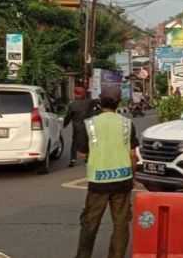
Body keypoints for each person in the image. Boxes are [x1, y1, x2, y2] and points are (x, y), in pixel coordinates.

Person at [74, 95, 140, 258]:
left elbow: (82, 153)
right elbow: (133, 155)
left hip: (98, 183)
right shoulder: (127, 123)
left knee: (90, 223)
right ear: (118, 104)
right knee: (121, 224)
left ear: (100, 104)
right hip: (123, 181)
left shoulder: (89, 124)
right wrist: (133, 177)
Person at [64, 87, 97, 168]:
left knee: (74, 143)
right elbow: (98, 103)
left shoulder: (72, 105)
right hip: (89, 125)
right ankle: (87, 157)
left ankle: (73, 160)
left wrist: (65, 124)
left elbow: (68, 116)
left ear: (76, 94)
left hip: (77, 127)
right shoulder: (90, 102)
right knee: (89, 141)